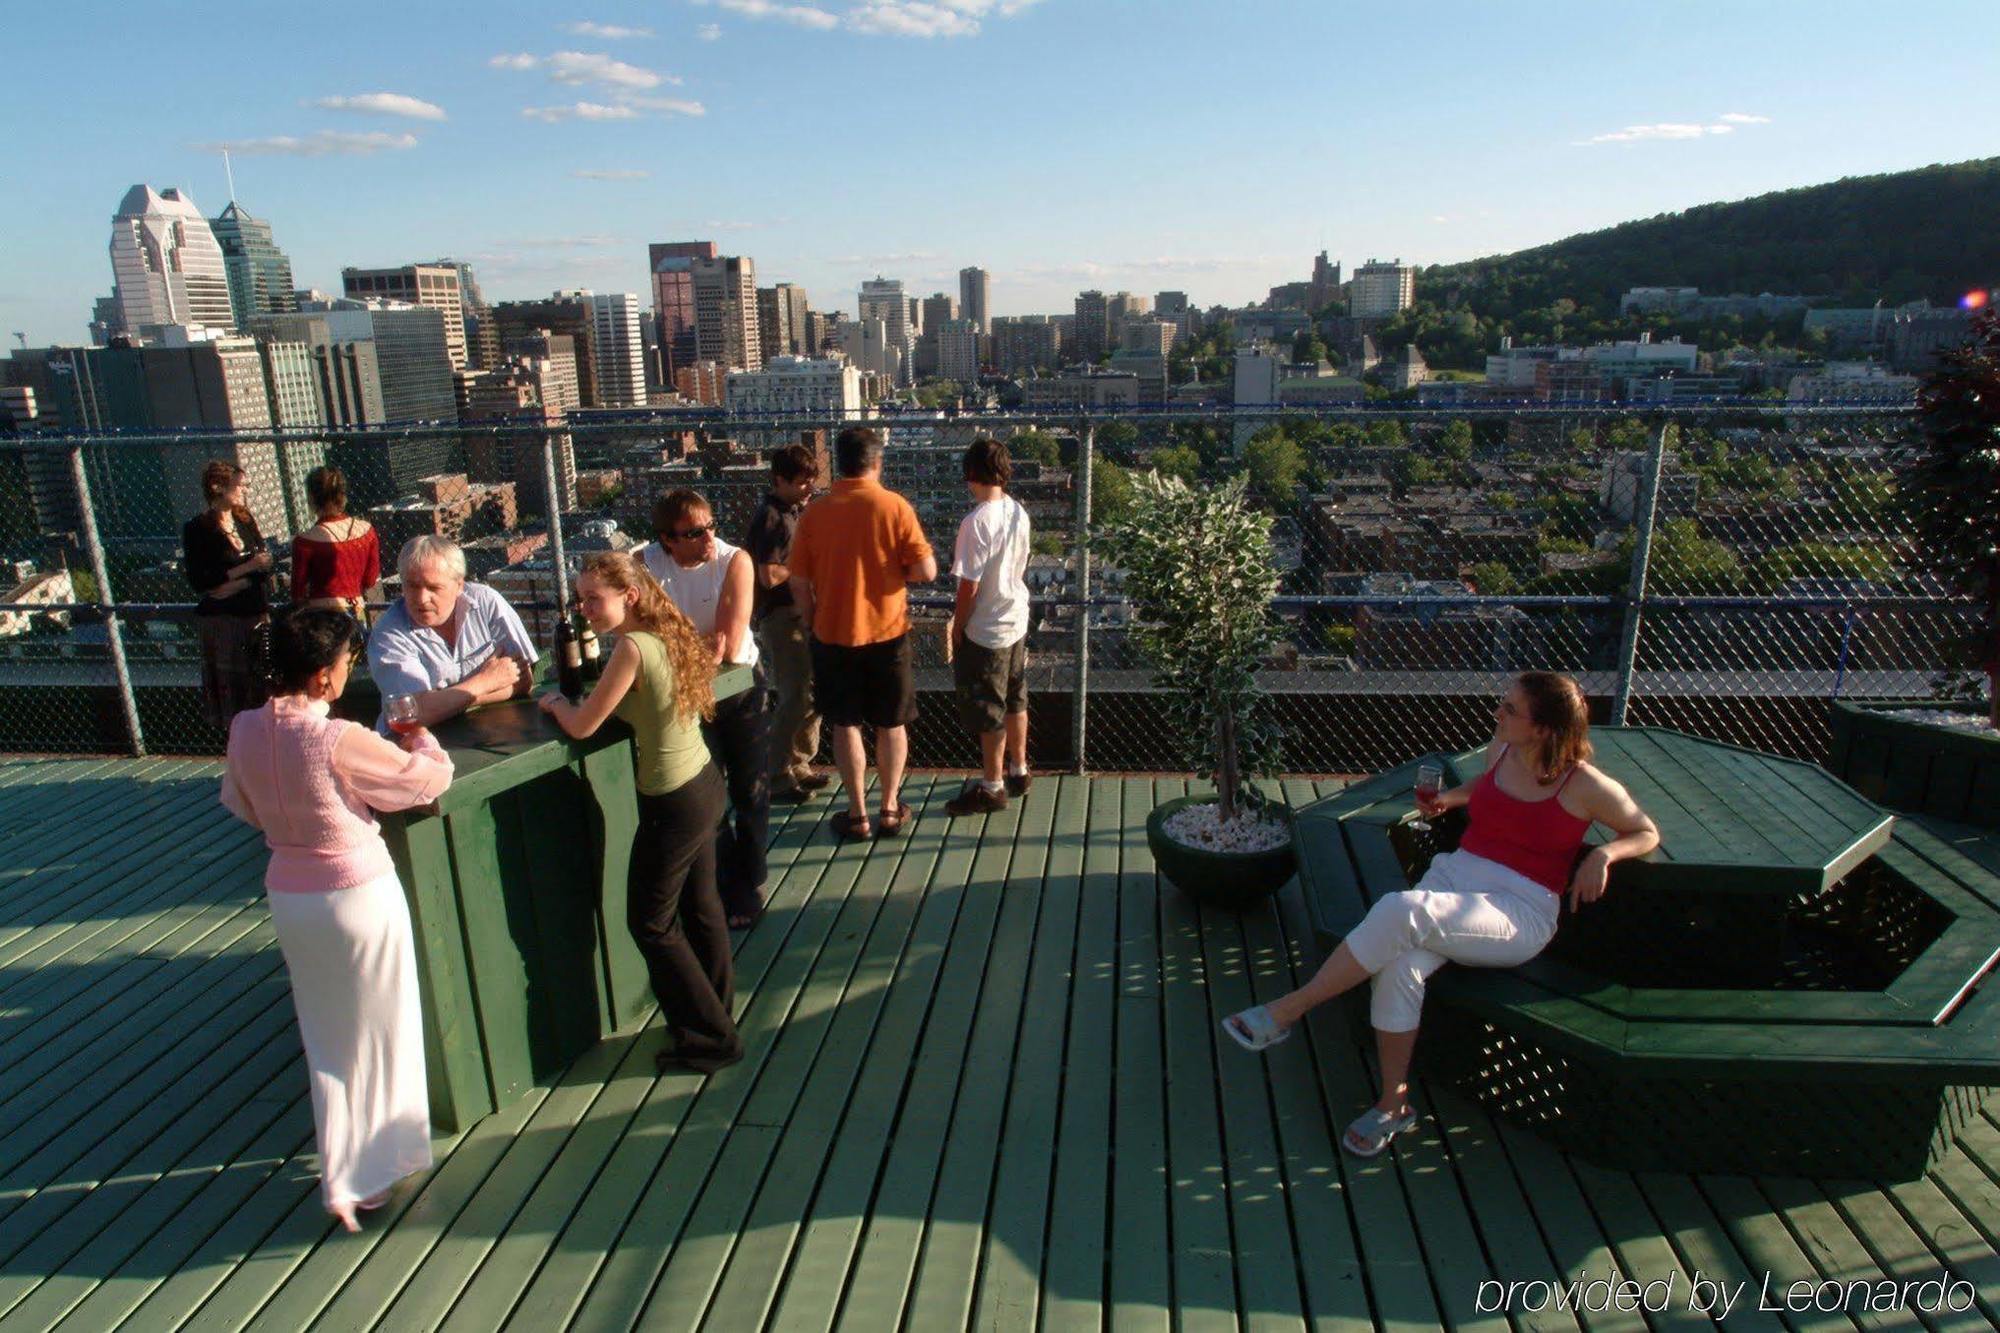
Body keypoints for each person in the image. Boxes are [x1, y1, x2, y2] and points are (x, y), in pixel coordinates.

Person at [1221, 671, 1660, 1158]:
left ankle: (1289, 1009)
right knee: (1400, 968)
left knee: (1402, 908)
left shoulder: (1586, 785)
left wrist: (1602, 856)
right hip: (1456, 878)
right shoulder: (1504, 749)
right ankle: (1393, 1106)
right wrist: (1452, 798)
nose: (1499, 713)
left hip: (1519, 908)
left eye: (1511, 710)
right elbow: (1487, 784)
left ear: (1543, 728)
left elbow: (1643, 831)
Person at [220, 607, 452, 1232]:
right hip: (357, 894)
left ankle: (353, 1169)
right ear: (325, 677)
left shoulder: (245, 728)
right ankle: (372, 1170)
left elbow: (239, 803)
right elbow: (424, 783)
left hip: (290, 897)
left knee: (328, 1035)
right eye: (347, 661)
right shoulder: (336, 737)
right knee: (383, 1025)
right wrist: (422, 737)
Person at [538, 553, 742, 1074]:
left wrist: (555, 705)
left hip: (672, 800)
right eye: (581, 599)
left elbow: (583, 725)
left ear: (628, 597)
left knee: (650, 923)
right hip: (704, 783)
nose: (584, 610)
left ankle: (712, 1038)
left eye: (593, 599)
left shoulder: (630, 646)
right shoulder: (664, 633)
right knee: (701, 908)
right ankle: (715, 1016)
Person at [786, 426, 937, 841]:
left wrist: (813, 618)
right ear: (877, 462)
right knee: (892, 723)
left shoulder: (815, 512)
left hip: (833, 633)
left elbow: (798, 581)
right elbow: (926, 571)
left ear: (839, 463)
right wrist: (892, 570)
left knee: (844, 723)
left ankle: (857, 815)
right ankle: (890, 808)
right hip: (887, 631)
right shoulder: (894, 506)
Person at [637, 488, 771, 929]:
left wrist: (681, 642)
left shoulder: (735, 561)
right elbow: (644, 639)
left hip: (740, 689)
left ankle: (750, 879)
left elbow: (730, 645)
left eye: (710, 526)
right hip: (689, 697)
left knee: (750, 791)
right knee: (710, 797)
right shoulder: (645, 566)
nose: (707, 538)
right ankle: (730, 885)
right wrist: (698, 645)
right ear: (666, 540)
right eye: (693, 533)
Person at [943, 437, 1033, 816]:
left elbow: (969, 585)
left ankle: (993, 785)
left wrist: (958, 626)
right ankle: (1019, 769)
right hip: (1016, 616)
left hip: (987, 628)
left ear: (971, 474)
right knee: (1015, 696)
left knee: (989, 708)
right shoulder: (1017, 511)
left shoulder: (976, 521)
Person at [366, 535, 537, 734]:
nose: (422, 599)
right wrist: (487, 681)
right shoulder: (389, 634)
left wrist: (446, 703)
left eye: (433, 588)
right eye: (412, 586)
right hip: (414, 747)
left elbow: (524, 680)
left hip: (485, 729)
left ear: (459, 586)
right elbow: (412, 714)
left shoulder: (486, 603)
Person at [743, 443, 827, 804]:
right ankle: (776, 774)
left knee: (811, 693)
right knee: (795, 695)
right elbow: (768, 575)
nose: (809, 488)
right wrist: (808, 567)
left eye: (811, 481)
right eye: (801, 482)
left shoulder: (795, 510)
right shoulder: (772, 517)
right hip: (783, 615)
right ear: (780, 480)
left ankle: (799, 762)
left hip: (802, 612)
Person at [183, 459, 273, 728]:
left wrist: (233, 582)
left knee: (262, 685)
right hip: (223, 621)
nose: (244, 491)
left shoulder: (245, 520)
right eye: (239, 486)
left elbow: (265, 566)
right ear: (217, 487)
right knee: (233, 693)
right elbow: (201, 581)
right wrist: (246, 569)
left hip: (255, 613)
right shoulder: (198, 528)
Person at [291, 466, 381, 621]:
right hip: (356, 609)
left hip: (320, 616)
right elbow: (370, 579)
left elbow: (297, 592)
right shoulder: (366, 531)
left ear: (311, 498)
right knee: (358, 644)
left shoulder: (304, 542)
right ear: (342, 495)